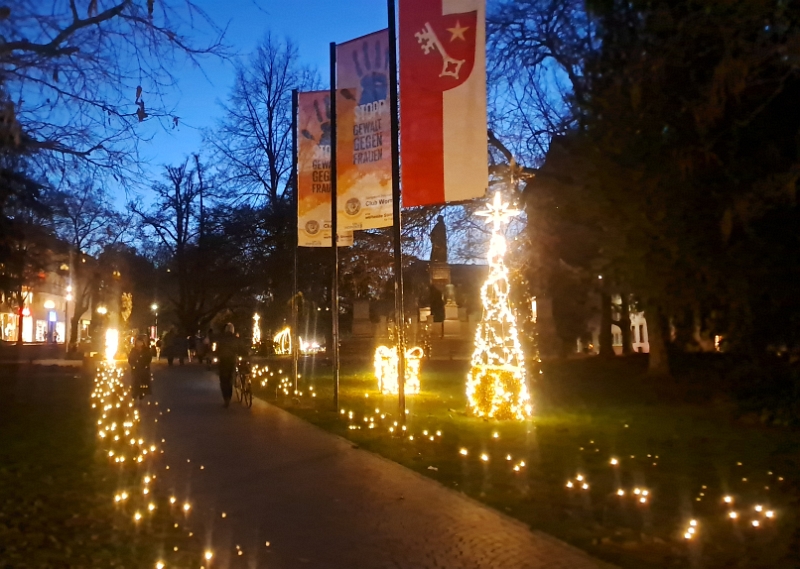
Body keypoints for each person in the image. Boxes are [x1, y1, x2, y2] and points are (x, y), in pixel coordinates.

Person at [216, 323, 245, 407]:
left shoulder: (221, 339)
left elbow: (218, 350)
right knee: (229, 379)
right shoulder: (235, 339)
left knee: (223, 380)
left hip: (223, 361)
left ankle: (226, 398)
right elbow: (241, 348)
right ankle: (229, 396)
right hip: (232, 360)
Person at [128, 335, 153, 400]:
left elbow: (149, 358)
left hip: (143, 368)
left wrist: (146, 364)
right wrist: (133, 364)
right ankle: (135, 393)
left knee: (143, 381)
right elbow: (130, 358)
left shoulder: (146, 350)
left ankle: (142, 393)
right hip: (136, 369)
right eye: (138, 342)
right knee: (135, 381)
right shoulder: (133, 350)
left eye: (140, 342)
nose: (139, 344)